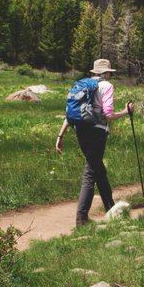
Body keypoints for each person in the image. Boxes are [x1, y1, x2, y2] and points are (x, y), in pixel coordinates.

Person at [55, 58, 134, 224]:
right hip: (97, 132)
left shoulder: (83, 84)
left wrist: (60, 136)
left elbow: (70, 114)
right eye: (109, 73)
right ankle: (81, 218)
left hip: (80, 131)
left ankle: (110, 208)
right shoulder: (106, 86)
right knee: (91, 173)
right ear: (106, 73)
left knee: (99, 170)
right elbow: (108, 115)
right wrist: (126, 112)